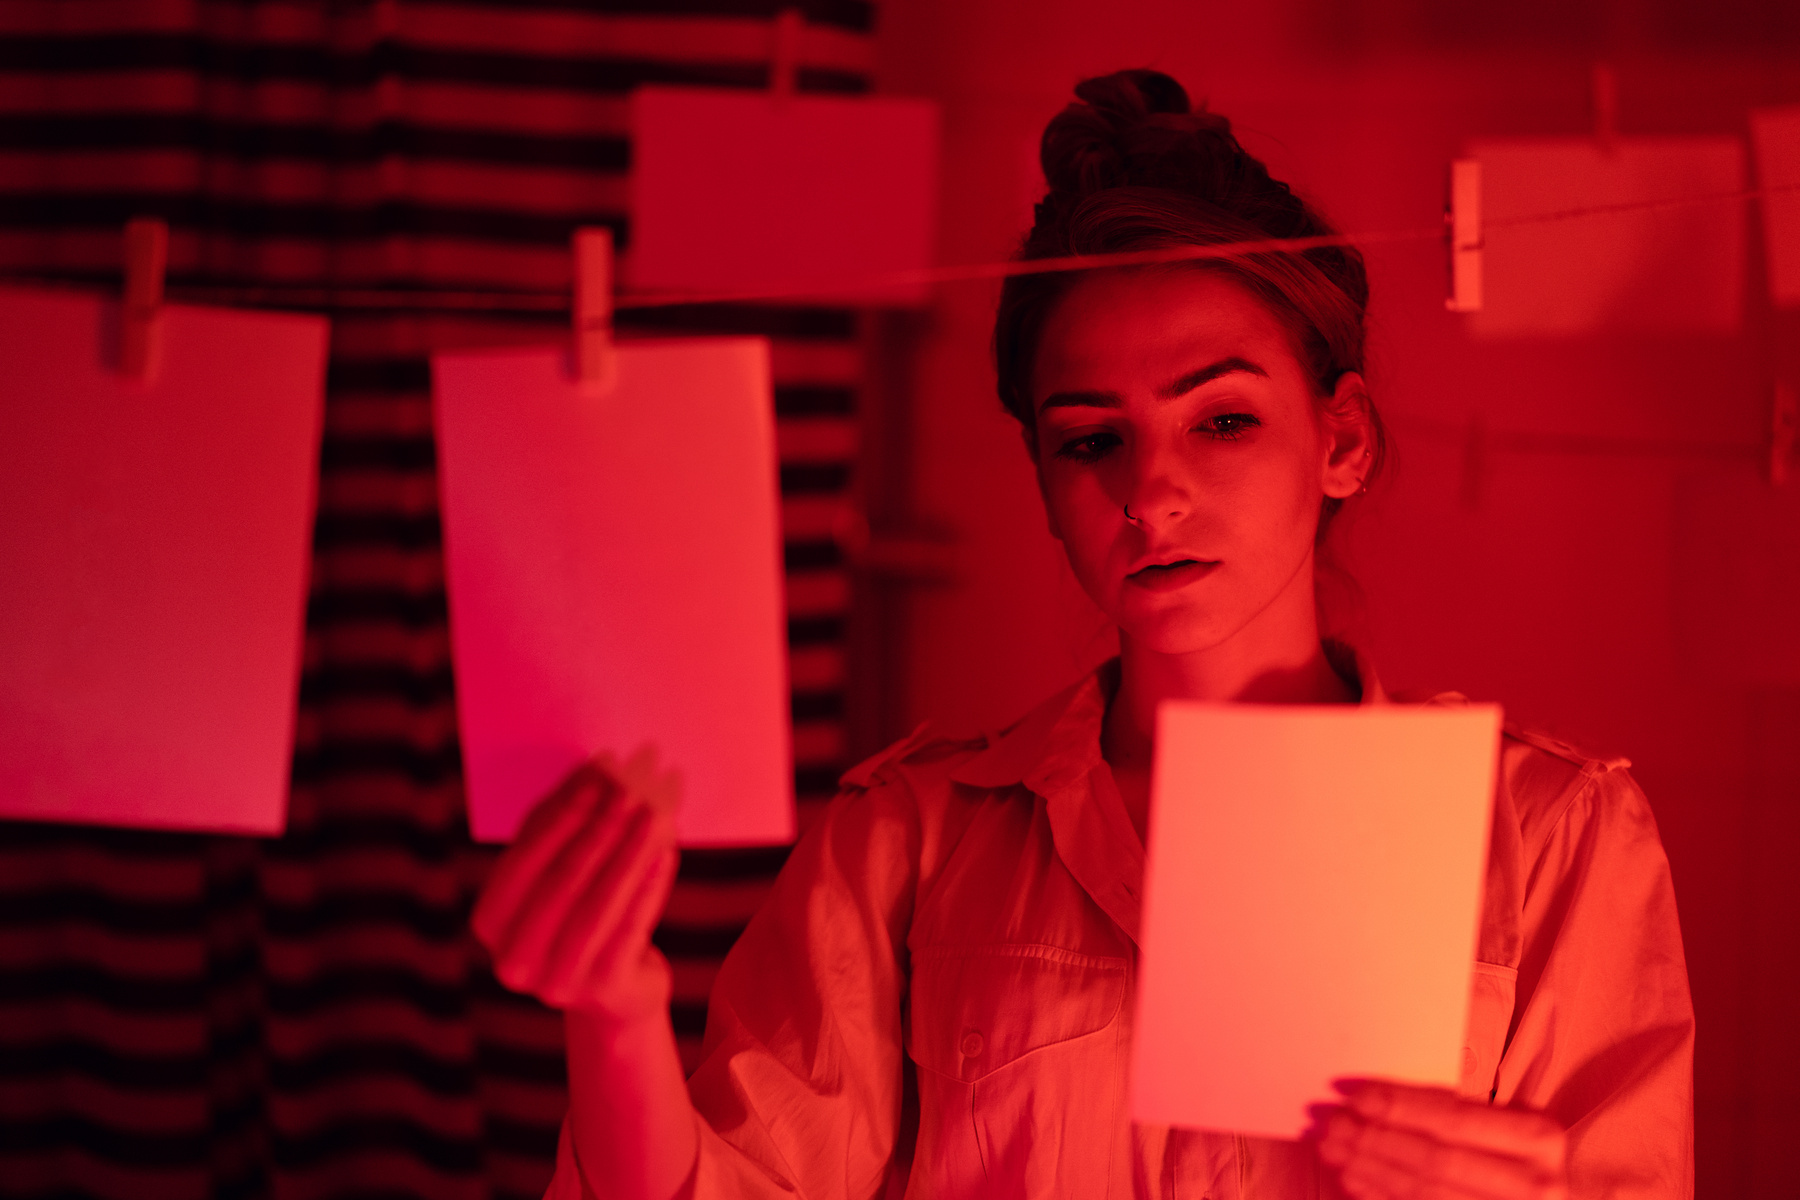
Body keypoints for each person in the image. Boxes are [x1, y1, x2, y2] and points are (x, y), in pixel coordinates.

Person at [472, 70, 1694, 1200]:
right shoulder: (905, 843)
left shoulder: (1553, 841)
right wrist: (619, 1015)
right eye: (1091, 438)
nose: (1150, 492)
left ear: (1343, 439)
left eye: (1219, 421)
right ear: (1043, 480)